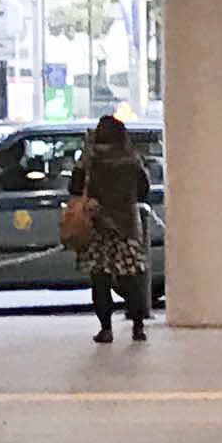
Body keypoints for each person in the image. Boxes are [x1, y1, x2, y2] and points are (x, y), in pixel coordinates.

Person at [70, 114, 153, 345]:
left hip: (98, 226)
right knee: (132, 278)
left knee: (100, 280)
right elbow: (143, 191)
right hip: (126, 227)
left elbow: (74, 187)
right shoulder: (131, 159)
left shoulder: (91, 159)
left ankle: (105, 329)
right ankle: (138, 327)